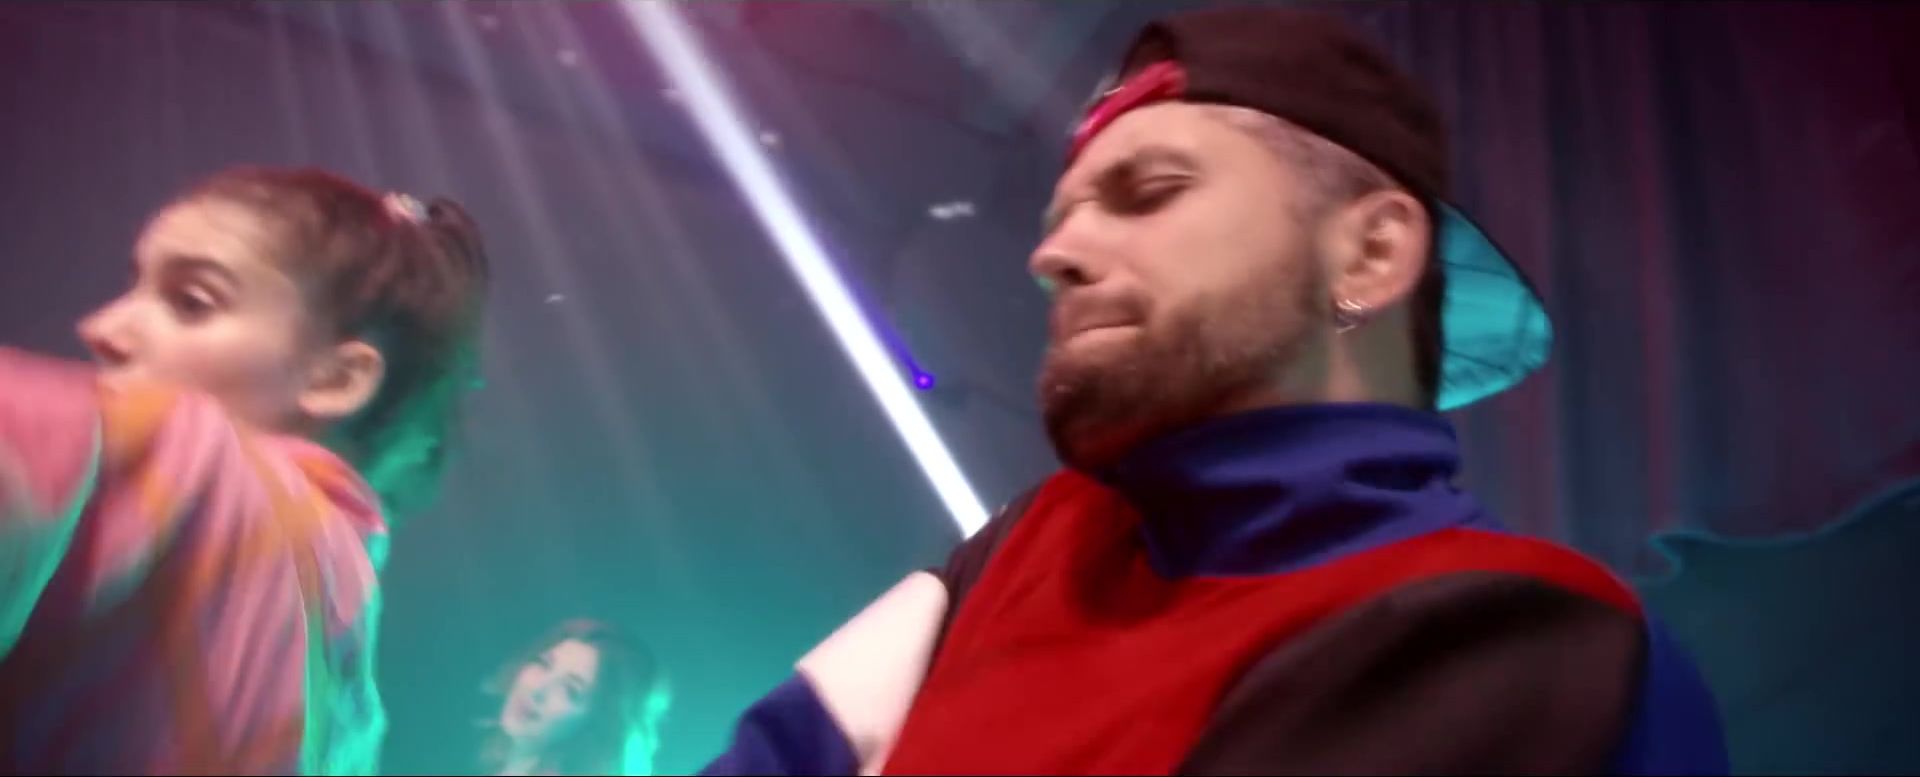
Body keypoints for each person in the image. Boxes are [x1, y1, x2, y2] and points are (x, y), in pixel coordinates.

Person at [701, 7, 1729, 775]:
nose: (1052, 255)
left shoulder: (1544, 638)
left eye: (1149, 192)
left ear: (1370, 255)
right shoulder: (1015, 547)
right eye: (1061, 215)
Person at [0, 166, 490, 774]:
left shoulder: (187, 464)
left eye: (191, 302)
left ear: (337, 379)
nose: (100, 328)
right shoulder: (351, 692)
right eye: (135, 287)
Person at [477, 619, 672, 776]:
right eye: (543, 664)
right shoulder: (499, 758)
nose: (538, 690)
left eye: (570, 690)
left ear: (594, 723)